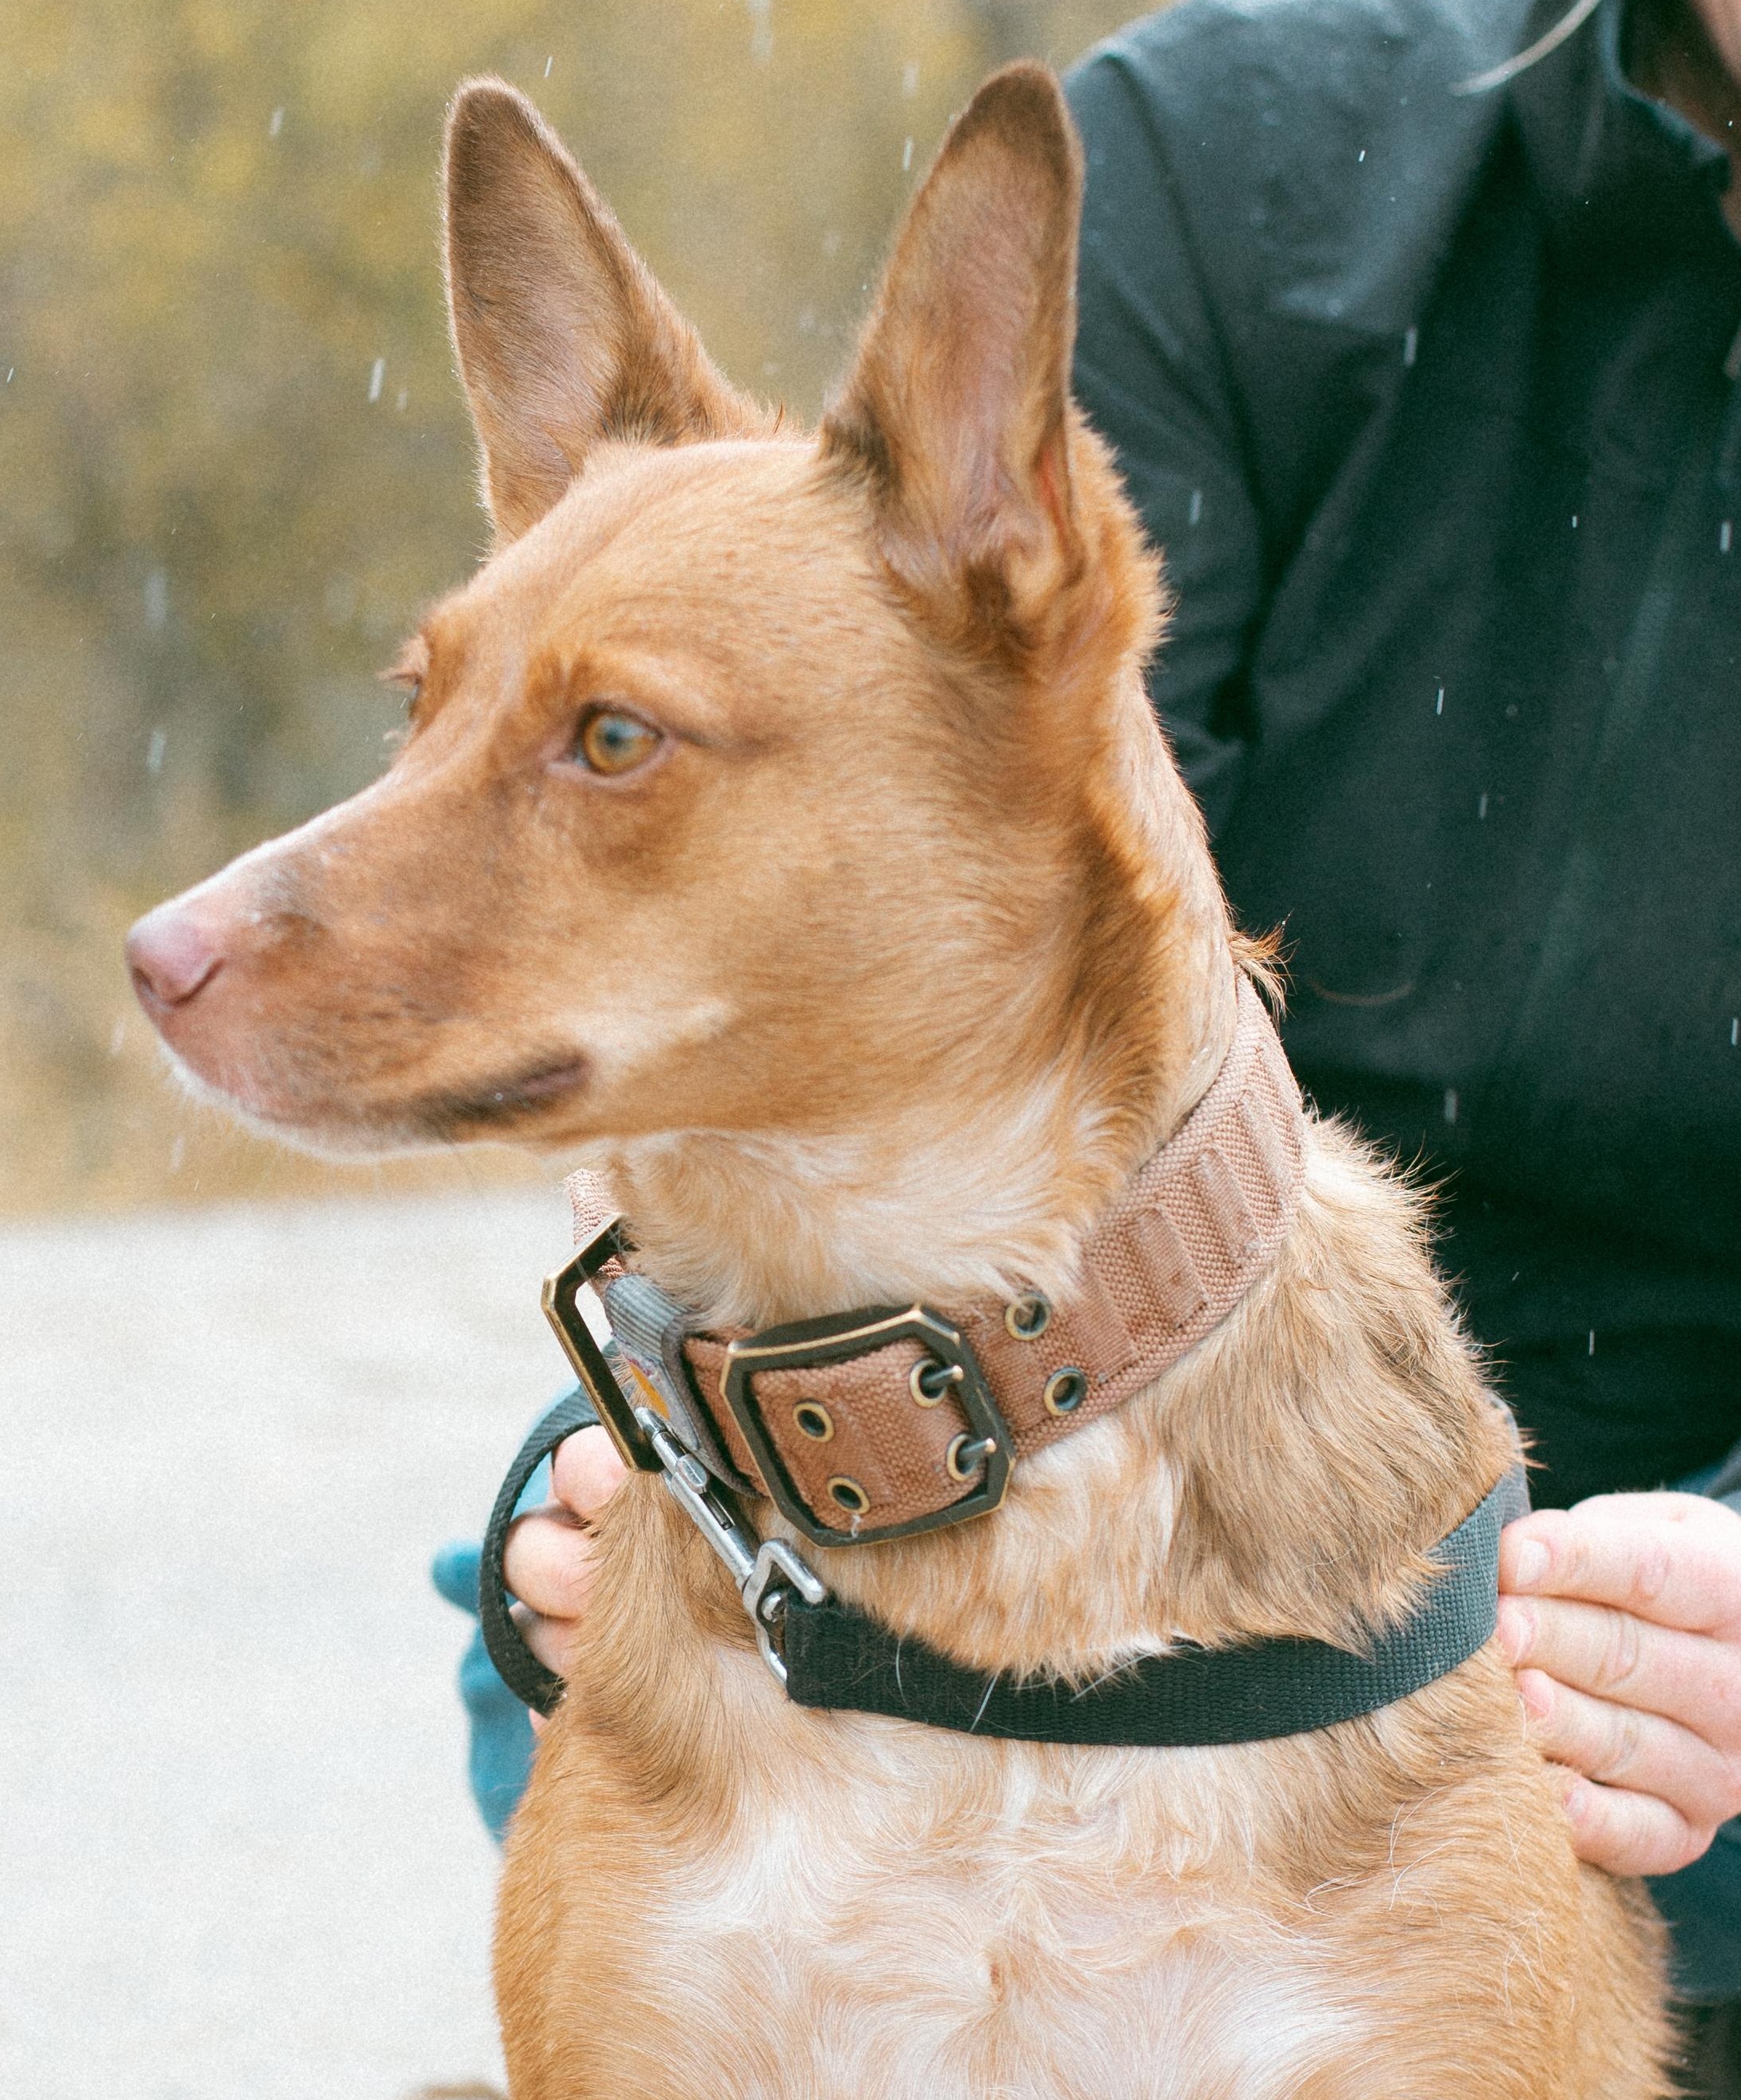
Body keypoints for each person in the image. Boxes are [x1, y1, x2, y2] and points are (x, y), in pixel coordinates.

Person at [436, 0, 1741, 2082]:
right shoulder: (1241, 167)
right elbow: (904, 893)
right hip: (1103, 1343)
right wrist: (704, 1413)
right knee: (572, 1625)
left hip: (1665, 1611)